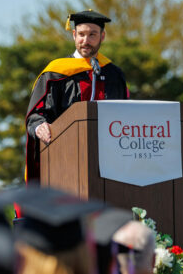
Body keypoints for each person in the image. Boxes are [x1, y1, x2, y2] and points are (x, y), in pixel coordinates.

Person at [24, 10, 129, 182]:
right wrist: (39, 126)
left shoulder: (114, 74)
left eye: (92, 35)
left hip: (108, 162)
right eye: (81, 34)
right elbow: (36, 115)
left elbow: (126, 114)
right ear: (74, 35)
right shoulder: (55, 73)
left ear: (102, 36)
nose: (85, 41)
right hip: (65, 158)